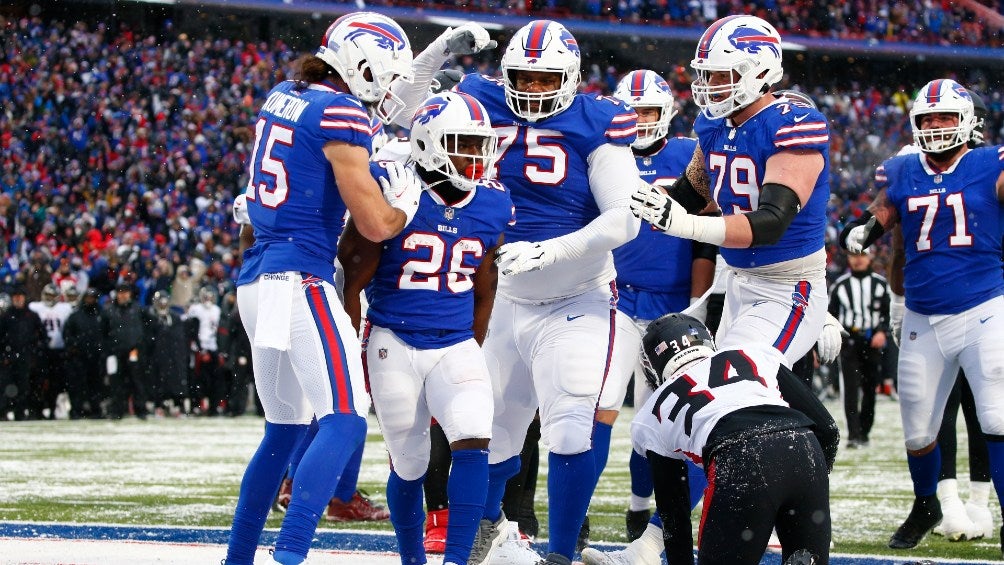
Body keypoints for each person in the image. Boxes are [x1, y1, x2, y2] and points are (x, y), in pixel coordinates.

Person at [224, 13, 493, 565]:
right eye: (385, 73)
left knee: (283, 429)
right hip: (301, 277)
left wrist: (437, 52)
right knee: (345, 418)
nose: (389, 86)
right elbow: (375, 225)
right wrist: (405, 205)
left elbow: (379, 116)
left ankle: (238, 557)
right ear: (362, 66)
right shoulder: (340, 113)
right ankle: (290, 551)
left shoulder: (285, 94)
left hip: (257, 277)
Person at [403, 20, 644, 565]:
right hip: (502, 298)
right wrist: (437, 50)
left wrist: (549, 250)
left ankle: (560, 553)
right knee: (487, 429)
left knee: (571, 425)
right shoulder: (480, 98)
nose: (533, 89)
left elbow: (625, 219)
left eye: (546, 79)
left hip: (576, 296)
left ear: (571, 77)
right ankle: (489, 529)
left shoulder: (597, 120)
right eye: (524, 78)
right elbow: (402, 109)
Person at [338, 91, 511, 565]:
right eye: (462, 144)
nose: (475, 155)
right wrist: (350, 349)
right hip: (392, 339)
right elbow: (351, 279)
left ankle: (456, 559)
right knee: (410, 463)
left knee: (474, 439)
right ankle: (412, 559)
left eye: (480, 145)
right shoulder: (394, 187)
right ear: (428, 143)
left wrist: (471, 344)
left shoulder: (493, 202)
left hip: (454, 341)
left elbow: (485, 285)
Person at [840, 78, 1004, 552]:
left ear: (966, 121)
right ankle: (926, 503)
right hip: (922, 313)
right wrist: (863, 229)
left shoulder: (989, 162)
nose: (936, 126)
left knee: (995, 415)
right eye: (928, 118)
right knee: (917, 428)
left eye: (945, 117)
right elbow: (881, 213)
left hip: (984, 306)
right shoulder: (903, 168)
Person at [630, 15, 832, 368]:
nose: (711, 85)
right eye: (708, 75)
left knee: (738, 376)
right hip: (739, 281)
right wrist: (641, 200)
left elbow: (771, 223)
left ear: (760, 71)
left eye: (723, 75)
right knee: (726, 383)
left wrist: (684, 224)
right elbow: (692, 192)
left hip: (787, 284)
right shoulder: (715, 125)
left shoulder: (791, 123)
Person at [605, 69, 716, 541]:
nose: (639, 120)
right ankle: (635, 507)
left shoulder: (690, 155)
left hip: (673, 308)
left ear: (666, 112)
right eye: (631, 111)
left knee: (670, 418)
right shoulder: (603, 155)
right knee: (600, 408)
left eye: (647, 110)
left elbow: (707, 238)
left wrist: (697, 302)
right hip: (613, 299)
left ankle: (650, 513)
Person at [629, 313, 837, 564]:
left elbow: (675, 516)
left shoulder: (652, 413)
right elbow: (827, 429)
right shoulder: (754, 354)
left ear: (652, 364)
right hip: (804, 447)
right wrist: (808, 483)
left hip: (741, 457)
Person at [828, 247, 889, 449]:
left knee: (870, 389)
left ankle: (865, 432)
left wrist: (882, 331)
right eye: (854, 255)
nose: (858, 260)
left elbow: (888, 313)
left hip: (872, 342)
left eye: (862, 255)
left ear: (870, 257)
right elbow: (831, 315)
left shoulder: (880, 284)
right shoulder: (840, 285)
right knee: (850, 389)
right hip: (849, 343)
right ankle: (853, 435)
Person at [101, 282, 149, 420]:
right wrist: (109, 349)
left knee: (137, 381)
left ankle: (140, 409)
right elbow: (103, 332)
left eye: (125, 292)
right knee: (117, 382)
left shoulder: (138, 309)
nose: (123, 295)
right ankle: (117, 410)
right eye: (121, 292)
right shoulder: (109, 311)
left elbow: (147, 328)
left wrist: (140, 345)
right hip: (115, 352)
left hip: (134, 351)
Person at [0, 286, 46, 420]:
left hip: (26, 356)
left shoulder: (32, 316)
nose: (18, 299)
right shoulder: (6, 316)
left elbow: (42, 336)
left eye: (20, 296)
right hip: (8, 357)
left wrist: (34, 353)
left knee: (24, 386)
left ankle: (20, 412)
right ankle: (3, 412)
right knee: (5, 385)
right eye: (15, 296)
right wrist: (3, 355)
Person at [28, 283, 73, 419]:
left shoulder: (65, 308)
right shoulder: (35, 307)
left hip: (59, 350)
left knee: (56, 382)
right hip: (41, 351)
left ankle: (54, 408)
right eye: (48, 295)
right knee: (38, 381)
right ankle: (37, 409)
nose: (50, 298)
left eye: (52, 295)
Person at [63, 288, 106, 419]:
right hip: (79, 356)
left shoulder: (102, 315)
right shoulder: (75, 316)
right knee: (77, 385)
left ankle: (95, 409)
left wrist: (103, 349)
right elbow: (67, 333)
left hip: (97, 357)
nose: (90, 300)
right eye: (88, 298)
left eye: (92, 298)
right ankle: (76, 410)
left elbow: (108, 334)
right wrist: (74, 346)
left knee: (96, 385)